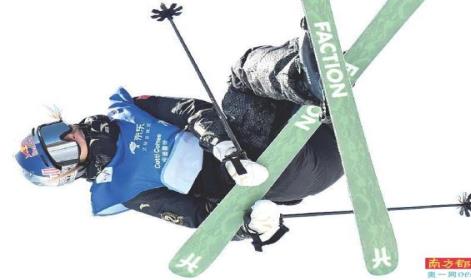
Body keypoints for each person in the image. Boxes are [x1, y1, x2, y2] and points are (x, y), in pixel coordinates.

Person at [15, 24, 343, 249]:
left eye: (56, 133)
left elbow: (192, 110)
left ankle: (309, 79)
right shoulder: (123, 189)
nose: (69, 139)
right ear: (68, 171)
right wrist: (250, 227)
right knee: (241, 78)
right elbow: (199, 215)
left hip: (314, 137)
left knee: (244, 76)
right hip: (278, 176)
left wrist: (225, 150)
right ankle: (307, 81)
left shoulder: (130, 111)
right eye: (61, 152)